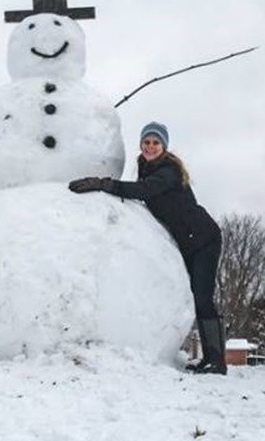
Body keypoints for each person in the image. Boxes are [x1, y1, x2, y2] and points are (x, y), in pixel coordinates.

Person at [70, 122, 226, 374]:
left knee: (202, 298)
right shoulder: (147, 169)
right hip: (186, 241)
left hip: (203, 240)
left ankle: (217, 361)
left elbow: (144, 190)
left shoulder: (168, 171)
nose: (150, 146)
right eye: (146, 142)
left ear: (164, 147)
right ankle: (210, 358)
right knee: (193, 296)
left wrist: (104, 183)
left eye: (155, 142)